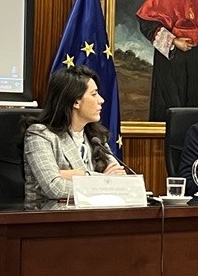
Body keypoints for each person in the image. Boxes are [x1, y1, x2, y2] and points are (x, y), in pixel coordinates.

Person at [23, 66, 126, 201]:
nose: (101, 100)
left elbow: (120, 182)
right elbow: (55, 187)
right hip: (49, 218)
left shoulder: (95, 137)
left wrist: (74, 175)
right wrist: (99, 179)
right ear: (76, 101)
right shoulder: (40, 135)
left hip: (93, 214)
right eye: (94, 94)